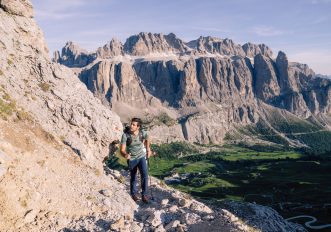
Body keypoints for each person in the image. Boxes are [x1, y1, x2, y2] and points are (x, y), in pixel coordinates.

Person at [120, 117, 152, 203]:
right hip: (132, 159)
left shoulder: (142, 133)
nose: (131, 126)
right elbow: (122, 150)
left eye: (133, 125)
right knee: (133, 176)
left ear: (138, 127)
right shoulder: (125, 135)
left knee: (145, 175)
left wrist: (148, 149)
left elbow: (148, 138)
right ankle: (133, 194)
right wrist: (125, 155)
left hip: (141, 157)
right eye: (131, 124)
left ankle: (144, 195)